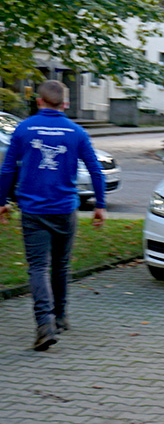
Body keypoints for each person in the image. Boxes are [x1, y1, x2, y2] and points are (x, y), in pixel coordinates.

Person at [0, 80, 106, 351]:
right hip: (64, 209)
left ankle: (44, 324)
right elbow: (95, 170)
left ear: (39, 101)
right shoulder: (76, 131)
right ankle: (60, 316)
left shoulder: (24, 128)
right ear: (64, 104)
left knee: (38, 267)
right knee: (60, 265)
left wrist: (2, 202)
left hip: (33, 211)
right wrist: (100, 205)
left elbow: (7, 169)